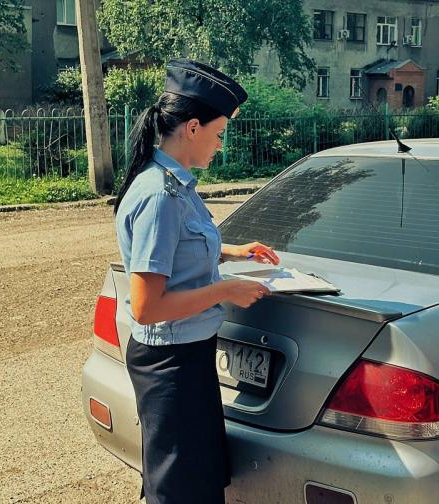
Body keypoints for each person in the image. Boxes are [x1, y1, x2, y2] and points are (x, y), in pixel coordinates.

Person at [114, 58, 280, 504]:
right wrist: (227, 289)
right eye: (219, 131)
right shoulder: (160, 196)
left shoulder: (174, 185)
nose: (221, 144)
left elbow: (174, 250)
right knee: (178, 489)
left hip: (185, 355)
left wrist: (231, 251)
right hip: (170, 363)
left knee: (194, 481)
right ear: (192, 128)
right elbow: (149, 305)